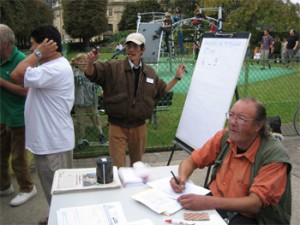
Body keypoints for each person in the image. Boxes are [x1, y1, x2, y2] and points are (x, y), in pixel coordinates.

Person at [170, 97, 291, 225]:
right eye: (231, 115)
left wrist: (207, 202)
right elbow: (191, 161)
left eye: (241, 119)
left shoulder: (273, 155)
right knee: (178, 217)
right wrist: (182, 177)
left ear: (258, 125)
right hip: (219, 202)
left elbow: (254, 204)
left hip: (251, 216)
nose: (233, 122)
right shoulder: (225, 136)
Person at [85, 32, 185, 168]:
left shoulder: (149, 73)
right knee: (118, 169)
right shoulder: (113, 67)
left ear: (142, 50)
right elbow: (93, 73)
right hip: (117, 126)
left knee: (137, 167)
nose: (131, 50)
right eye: (128, 46)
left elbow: (161, 90)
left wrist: (177, 78)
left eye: (135, 46)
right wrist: (90, 63)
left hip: (139, 127)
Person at [11, 25, 74, 225]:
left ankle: (60, 218)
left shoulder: (55, 68)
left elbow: (17, 74)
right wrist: (39, 53)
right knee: (54, 189)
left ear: (48, 45)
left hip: (52, 143)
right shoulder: (49, 68)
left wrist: (39, 53)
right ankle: (56, 215)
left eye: (33, 45)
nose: (31, 50)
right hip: (49, 140)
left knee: (58, 191)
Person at [0, 24, 37, 207]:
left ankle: (27, 188)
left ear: (4, 43)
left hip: (18, 118)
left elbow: (27, 91)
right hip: (2, 116)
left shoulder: (20, 60)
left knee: (17, 158)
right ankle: (5, 186)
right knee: (1, 155)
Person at [71, 53, 107, 150]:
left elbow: (97, 81)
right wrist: (73, 63)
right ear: (77, 63)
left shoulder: (91, 72)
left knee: (96, 118)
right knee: (80, 122)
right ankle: (80, 140)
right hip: (80, 102)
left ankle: (100, 134)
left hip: (91, 100)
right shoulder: (74, 73)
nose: (83, 63)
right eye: (80, 61)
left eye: (85, 61)